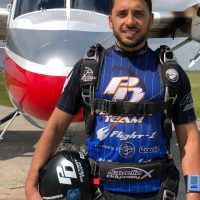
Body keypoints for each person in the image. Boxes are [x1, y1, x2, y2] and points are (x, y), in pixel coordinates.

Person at [25, 0, 200, 200]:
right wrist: (31, 182)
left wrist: (194, 191)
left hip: (157, 192)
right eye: (122, 14)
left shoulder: (171, 75)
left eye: (138, 14)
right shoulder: (87, 70)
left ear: (150, 19)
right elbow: (56, 126)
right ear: (110, 21)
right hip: (99, 192)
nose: (130, 21)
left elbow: (189, 138)